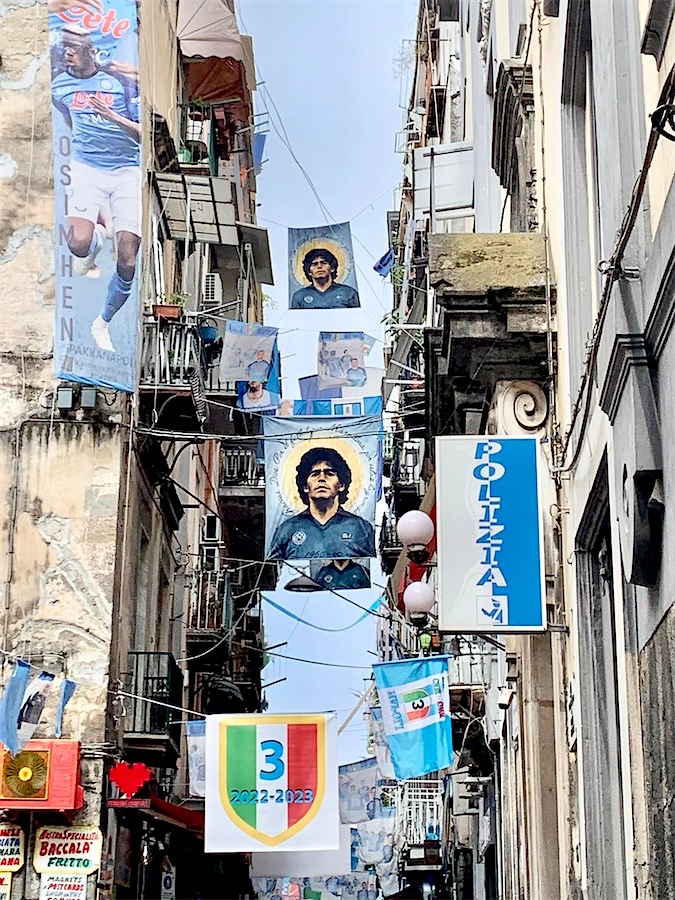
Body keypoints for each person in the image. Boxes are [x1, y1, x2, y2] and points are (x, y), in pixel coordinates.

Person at [52, 26, 141, 353]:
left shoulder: (120, 82)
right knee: (77, 246)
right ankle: (97, 241)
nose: (68, 53)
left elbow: (143, 135)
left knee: (128, 259)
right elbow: (66, 115)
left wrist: (111, 117)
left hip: (126, 169)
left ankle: (101, 322)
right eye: (65, 47)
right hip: (87, 167)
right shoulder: (59, 84)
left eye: (74, 47)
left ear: (91, 51)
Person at [268, 447, 375, 560]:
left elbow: (372, 571)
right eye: (314, 474)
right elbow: (273, 572)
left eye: (329, 473)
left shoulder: (360, 528)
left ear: (341, 485)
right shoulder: (288, 529)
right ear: (305, 486)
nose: (322, 479)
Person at [290, 248, 360, 309]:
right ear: (309, 271)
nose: (319, 266)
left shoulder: (348, 293)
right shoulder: (300, 296)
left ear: (332, 268)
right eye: (314, 264)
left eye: (323, 263)